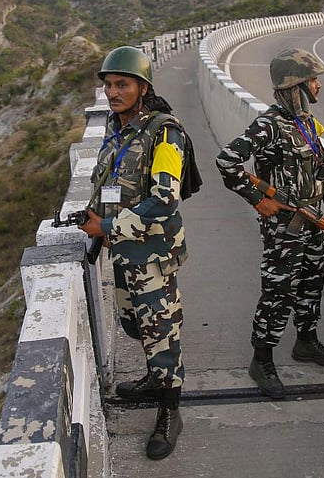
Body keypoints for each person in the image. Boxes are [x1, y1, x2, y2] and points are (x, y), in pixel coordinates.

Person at [215, 47, 324, 399]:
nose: (319, 86)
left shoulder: (306, 125)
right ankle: (262, 359)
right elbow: (227, 162)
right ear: (295, 86)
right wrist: (260, 200)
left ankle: (306, 342)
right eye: (313, 80)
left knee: (311, 283)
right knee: (278, 291)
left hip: (313, 221)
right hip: (284, 229)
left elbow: (323, 169)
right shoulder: (269, 126)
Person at [79, 45, 188, 460]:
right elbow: (114, 179)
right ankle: (151, 379)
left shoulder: (165, 133)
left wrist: (106, 226)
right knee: (136, 327)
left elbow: (164, 200)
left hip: (153, 257)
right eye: (108, 85)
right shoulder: (117, 126)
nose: (112, 92)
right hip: (125, 252)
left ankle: (169, 412)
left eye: (122, 84)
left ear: (143, 87)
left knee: (163, 336)